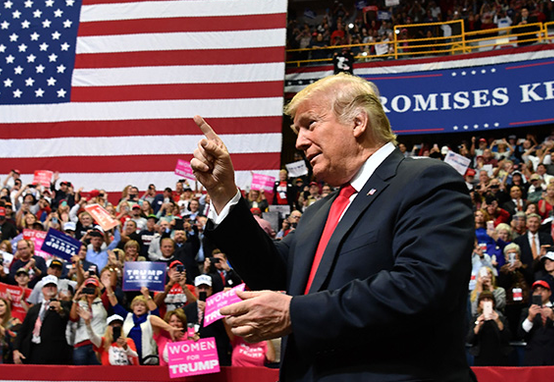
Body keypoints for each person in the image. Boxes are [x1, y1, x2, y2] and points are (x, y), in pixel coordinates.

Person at [190, 73, 474, 381]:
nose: (299, 141)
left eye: (310, 124)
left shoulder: (426, 180)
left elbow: (421, 286)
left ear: (357, 122)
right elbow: (270, 272)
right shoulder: (318, 212)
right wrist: (223, 193)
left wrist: (295, 313)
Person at [13, 275, 72, 364]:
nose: (50, 288)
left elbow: (68, 316)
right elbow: (23, 330)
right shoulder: (34, 309)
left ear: (57, 289)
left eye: (53, 286)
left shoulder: (64, 304)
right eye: (47, 286)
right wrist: (16, 350)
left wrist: (60, 310)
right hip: (33, 349)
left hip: (55, 352)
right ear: (42, 289)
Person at [519, 280, 554, 366]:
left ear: (549, 292)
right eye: (536, 291)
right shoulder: (527, 311)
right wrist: (530, 318)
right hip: (534, 359)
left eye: (542, 290)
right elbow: (521, 334)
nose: (539, 293)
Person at [467, 290, 511, 366]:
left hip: (499, 356)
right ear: (479, 304)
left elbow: (507, 338)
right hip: (481, 356)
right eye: (483, 300)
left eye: (489, 300)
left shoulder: (501, 319)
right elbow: (469, 339)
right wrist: (478, 324)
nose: (486, 302)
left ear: (493, 303)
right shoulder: (475, 319)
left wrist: (498, 321)